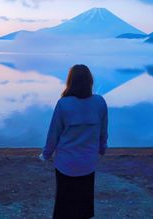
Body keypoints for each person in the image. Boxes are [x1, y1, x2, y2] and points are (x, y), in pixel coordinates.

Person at [39, 64, 108, 219]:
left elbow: (53, 134)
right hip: (88, 163)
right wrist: (102, 148)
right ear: (90, 81)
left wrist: (46, 154)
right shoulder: (100, 102)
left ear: (70, 81)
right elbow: (103, 132)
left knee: (64, 202)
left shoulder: (64, 104)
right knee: (84, 202)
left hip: (66, 164)